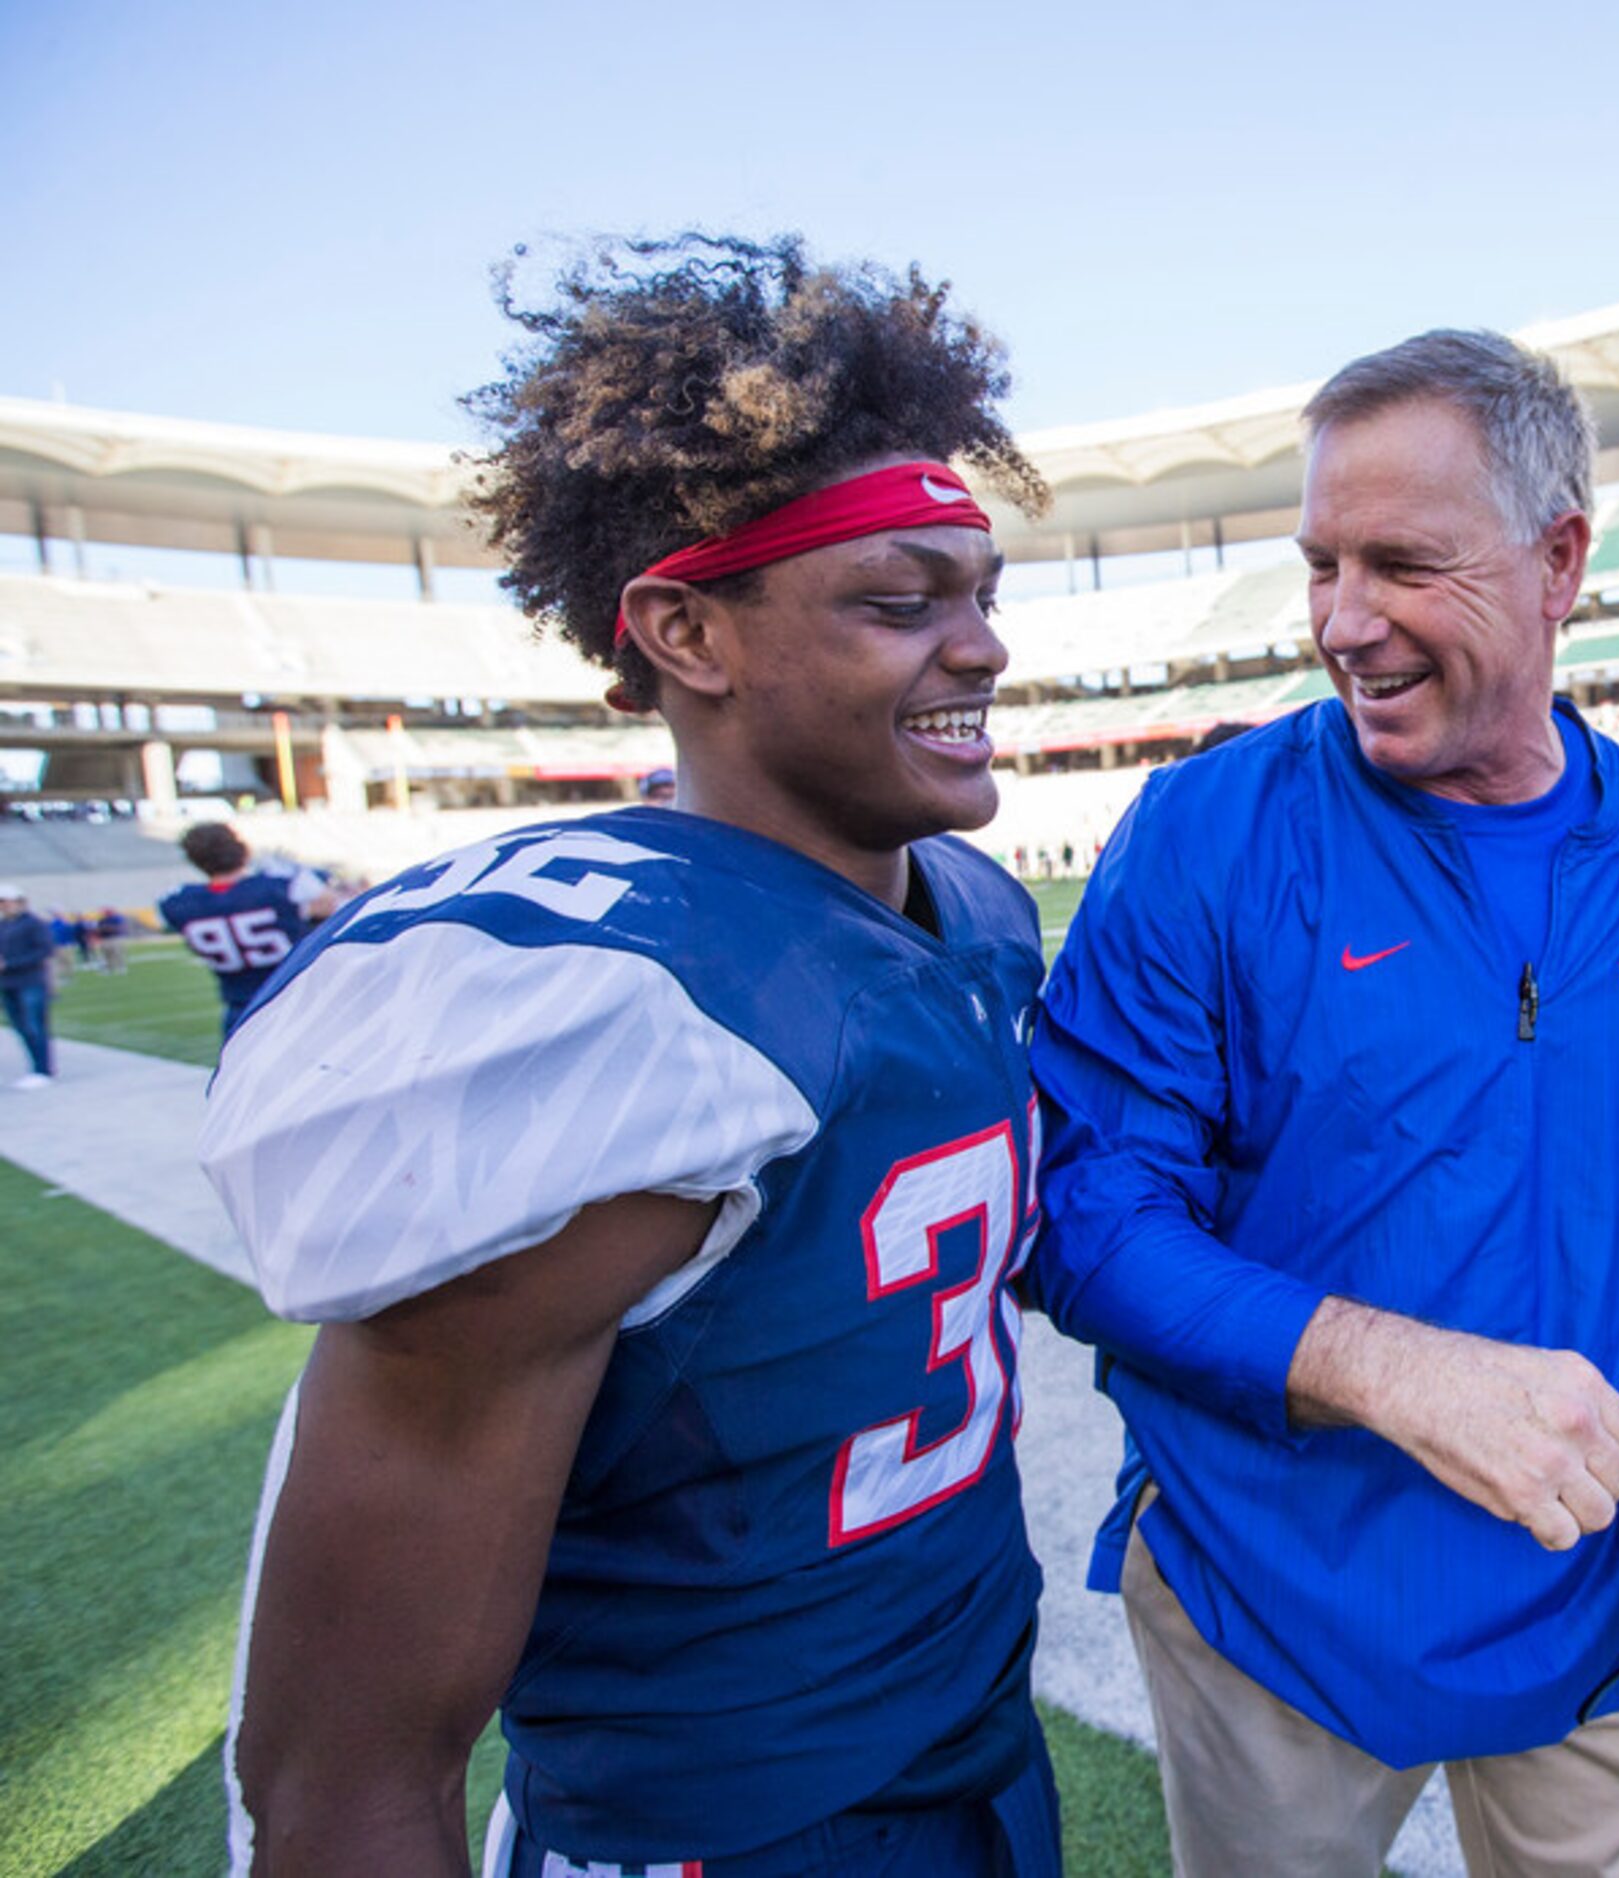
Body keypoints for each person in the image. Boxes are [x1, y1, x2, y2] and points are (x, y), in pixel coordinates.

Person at [196, 233, 1062, 1878]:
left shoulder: (973, 904)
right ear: (689, 633)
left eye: (980, 593)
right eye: (900, 600)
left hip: (977, 1742)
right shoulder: (609, 1014)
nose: (982, 646)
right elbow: (348, 1766)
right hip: (723, 1831)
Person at [1031, 328, 1619, 1878]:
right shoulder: (1203, 829)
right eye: (1320, 563)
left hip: (1601, 1595)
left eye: (1401, 563)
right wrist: (1391, 1369)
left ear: (1558, 560)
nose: (1340, 621)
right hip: (1273, 1595)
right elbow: (1085, 1215)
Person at [157, 824, 339, 1035]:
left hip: (242, 1013)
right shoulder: (279, 885)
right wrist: (302, 873)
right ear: (241, 850)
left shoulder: (178, 901)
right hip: (298, 1005)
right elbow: (331, 905)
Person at [0, 884, 54, 1089]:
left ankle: (42, 1069)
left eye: (6, 902)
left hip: (29, 981)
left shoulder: (34, 924)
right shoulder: (3, 925)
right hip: (8, 983)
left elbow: (44, 951)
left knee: (34, 1026)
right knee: (21, 1028)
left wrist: (10, 963)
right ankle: (35, 1066)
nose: (3, 906)